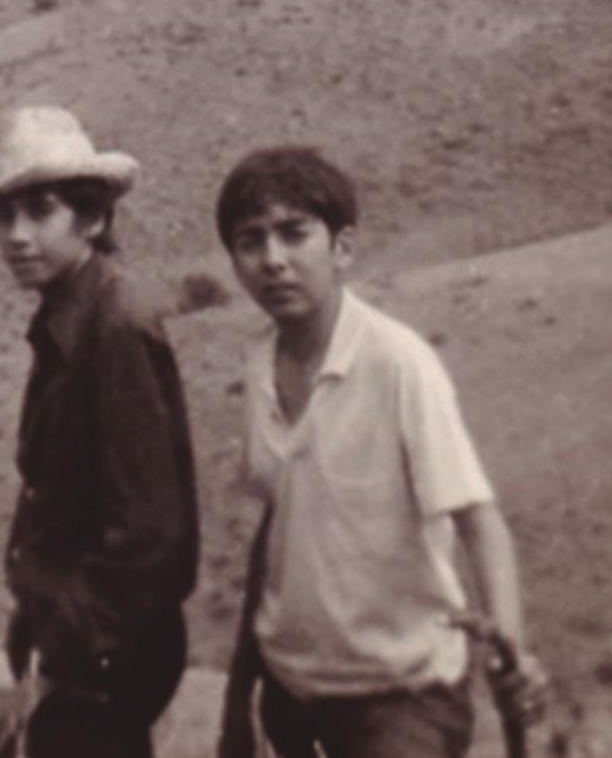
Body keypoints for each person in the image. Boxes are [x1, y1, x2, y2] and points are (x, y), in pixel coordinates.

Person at [212, 146, 548, 758]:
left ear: (342, 248)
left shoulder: (398, 364)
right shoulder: (258, 361)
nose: (274, 261)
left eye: (294, 235)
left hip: (398, 700)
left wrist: (511, 649)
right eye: (251, 241)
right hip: (290, 689)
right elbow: (276, 526)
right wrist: (244, 693)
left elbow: (479, 521)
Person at [0, 106, 200, 758]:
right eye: (3, 217)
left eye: (39, 212)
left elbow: (148, 531)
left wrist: (64, 647)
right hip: (81, 634)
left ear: (92, 218)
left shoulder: (115, 326)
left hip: (106, 646)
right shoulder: (69, 316)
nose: (15, 235)